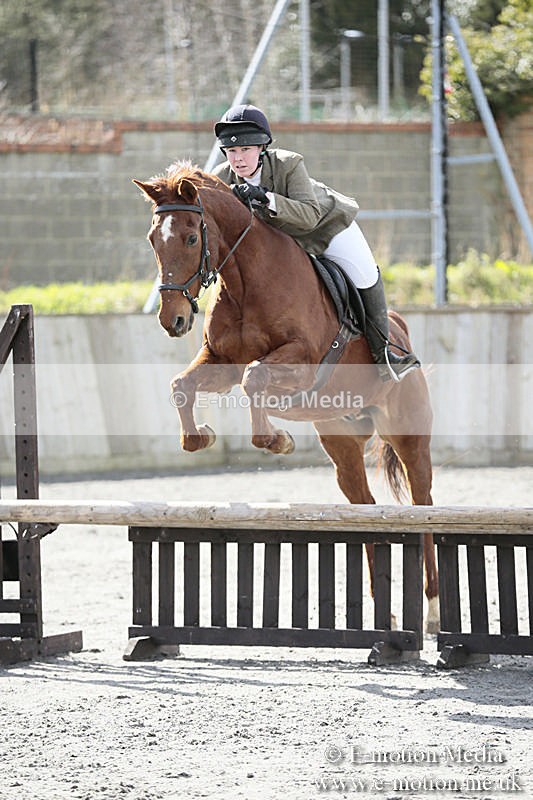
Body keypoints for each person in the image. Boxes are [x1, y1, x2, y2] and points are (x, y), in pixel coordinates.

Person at [212, 104, 420, 382]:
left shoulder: (288, 164)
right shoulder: (221, 179)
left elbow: (309, 216)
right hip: (282, 244)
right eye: (232, 151)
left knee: (365, 275)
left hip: (327, 227)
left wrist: (265, 197)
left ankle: (384, 355)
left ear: (262, 148)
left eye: (246, 150)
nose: (238, 159)